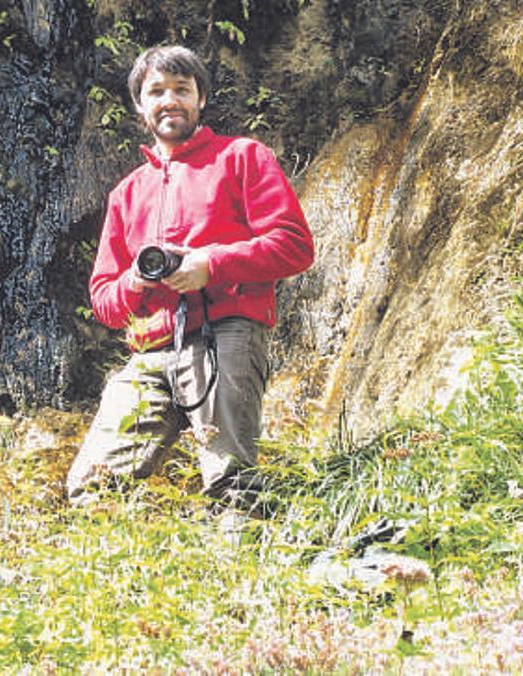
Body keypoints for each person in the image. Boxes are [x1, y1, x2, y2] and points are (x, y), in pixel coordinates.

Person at [66, 45, 314, 507]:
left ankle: (243, 573)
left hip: (227, 334)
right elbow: (103, 300)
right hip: (149, 353)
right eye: (156, 91)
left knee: (230, 480)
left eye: (182, 89)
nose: (169, 100)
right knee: (91, 488)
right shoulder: (126, 194)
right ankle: (133, 575)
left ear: (201, 98)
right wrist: (135, 283)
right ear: (140, 105)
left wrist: (210, 264)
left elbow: (295, 245)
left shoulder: (242, 158)